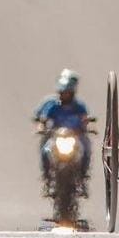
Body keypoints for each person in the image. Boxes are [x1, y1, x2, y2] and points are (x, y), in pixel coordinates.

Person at [33, 68, 92, 197]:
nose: (65, 95)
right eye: (63, 92)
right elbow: (44, 118)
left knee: (86, 149)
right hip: (56, 138)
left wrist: (87, 126)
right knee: (45, 150)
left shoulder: (79, 106)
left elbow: (85, 119)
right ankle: (48, 178)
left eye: (67, 93)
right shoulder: (53, 105)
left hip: (75, 137)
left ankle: (82, 178)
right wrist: (41, 127)